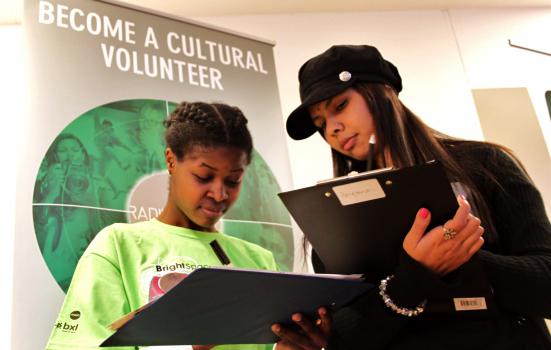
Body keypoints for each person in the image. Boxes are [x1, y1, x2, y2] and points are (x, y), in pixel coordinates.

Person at [271, 45, 551, 349]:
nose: (333, 129)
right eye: (320, 124)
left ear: (383, 93)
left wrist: (459, 255)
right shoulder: (333, 217)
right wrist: (415, 274)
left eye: (340, 106)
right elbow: (347, 335)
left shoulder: (487, 164)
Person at [45, 102, 278, 350]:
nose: (219, 194)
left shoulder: (260, 261)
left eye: (233, 180)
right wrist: (186, 346)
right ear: (171, 160)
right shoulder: (117, 245)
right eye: (203, 177)